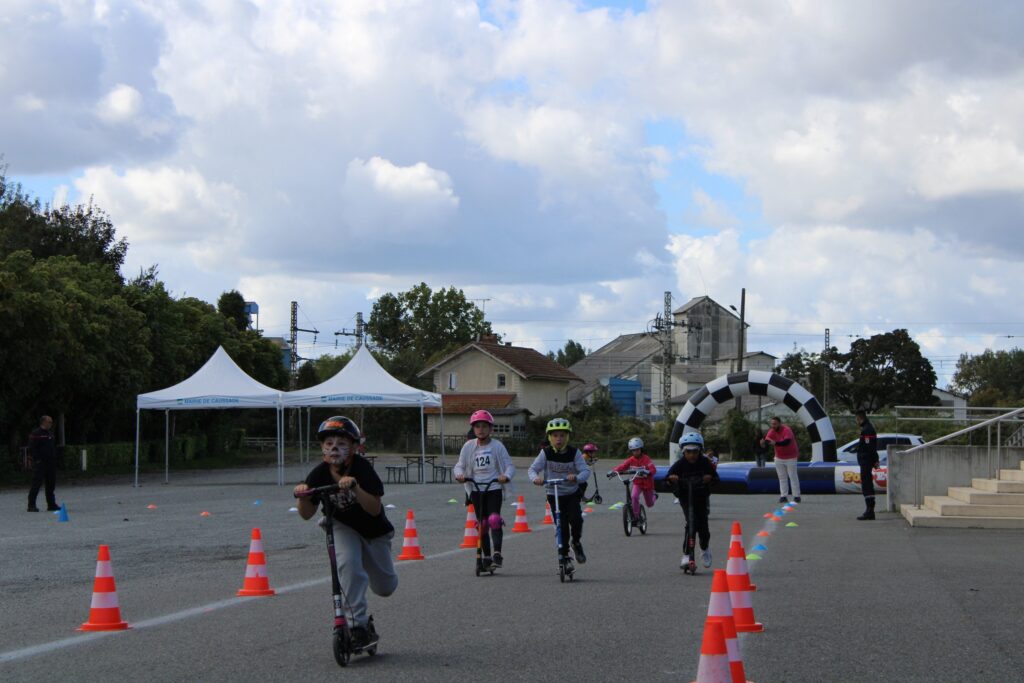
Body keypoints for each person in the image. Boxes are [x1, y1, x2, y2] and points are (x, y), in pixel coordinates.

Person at [293, 416, 397, 650]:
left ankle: (364, 617)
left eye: (341, 443)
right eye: (329, 443)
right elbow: (306, 514)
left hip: (373, 531)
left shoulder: (362, 468)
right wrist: (303, 495)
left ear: (353, 447)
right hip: (342, 527)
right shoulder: (319, 473)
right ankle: (356, 626)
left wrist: (355, 487)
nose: (334, 448)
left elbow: (374, 509)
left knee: (385, 587)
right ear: (322, 448)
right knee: (349, 566)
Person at [454, 410, 515, 569]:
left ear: (490, 428)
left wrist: (505, 476)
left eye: (484, 426)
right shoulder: (468, 447)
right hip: (475, 488)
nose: (481, 429)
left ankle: (497, 553)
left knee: (494, 519)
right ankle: (486, 557)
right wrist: (460, 475)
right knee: (482, 523)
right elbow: (459, 465)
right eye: (477, 426)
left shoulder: (497, 446)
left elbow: (509, 466)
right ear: (473, 429)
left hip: (493, 487)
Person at [528, 417, 591, 571]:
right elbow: (532, 469)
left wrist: (576, 477)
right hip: (553, 493)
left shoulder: (574, 453)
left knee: (576, 520)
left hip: (570, 493)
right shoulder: (546, 453)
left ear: (567, 437)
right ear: (550, 437)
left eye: (562, 435)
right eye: (555, 436)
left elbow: (585, 471)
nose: (559, 439)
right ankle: (564, 557)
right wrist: (536, 478)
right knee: (561, 527)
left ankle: (576, 543)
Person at [667, 432, 719, 568]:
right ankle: (686, 555)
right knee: (691, 523)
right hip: (685, 496)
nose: (691, 455)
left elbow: (716, 479)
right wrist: (671, 480)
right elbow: (666, 480)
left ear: (700, 451)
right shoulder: (680, 464)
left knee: (703, 527)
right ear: (683, 452)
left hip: (701, 496)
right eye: (688, 452)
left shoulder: (705, 462)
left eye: (695, 452)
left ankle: (704, 549)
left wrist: (710, 479)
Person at [609, 437, 656, 520]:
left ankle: (654, 496)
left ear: (641, 449)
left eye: (637, 450)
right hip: (637, 483)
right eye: (633, 450)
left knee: (650, 504)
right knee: (634, 497)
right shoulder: (631, 460)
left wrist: (648, 472)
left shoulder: (646, 459)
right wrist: (613, 472)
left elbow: (653, 469)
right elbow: (622, 466)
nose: (635, 452)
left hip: (647, 484)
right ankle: (636, 516)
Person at [761, 416, 801, 503]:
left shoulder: (787, 430)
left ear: (779, 423)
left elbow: (786, 442)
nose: (773, 426)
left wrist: (775, 443)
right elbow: (767, 440)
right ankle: (783, 496)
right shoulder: (772, 431)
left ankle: (796, 496)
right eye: (772, 424)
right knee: (782, 477)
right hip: (779, 457)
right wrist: (763, 443)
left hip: (791, 457)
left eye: (775, 424)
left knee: (792, 476)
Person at [27, 415, 59, 512]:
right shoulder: (36, 433)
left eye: (51, 422)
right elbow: (32, 447)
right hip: (41, 463)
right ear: (43, 422)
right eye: (49, 422)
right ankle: (31, 505)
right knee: (36, 484)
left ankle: (51, 504)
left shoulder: (50, 433)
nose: (51, 424)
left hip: (50, 463)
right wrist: (36, 459)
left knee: (51, 484)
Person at [855, 410, 879, 521]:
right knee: (866, 484)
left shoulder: (867, 430)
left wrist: (875, 460)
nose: (856, 421)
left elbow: (870, 447)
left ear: (860, 418)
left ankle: (870, 510)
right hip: (865, 460)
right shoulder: (866, 429)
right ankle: (869, 510)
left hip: (866, 461)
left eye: (857, 419)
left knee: (867, 484)